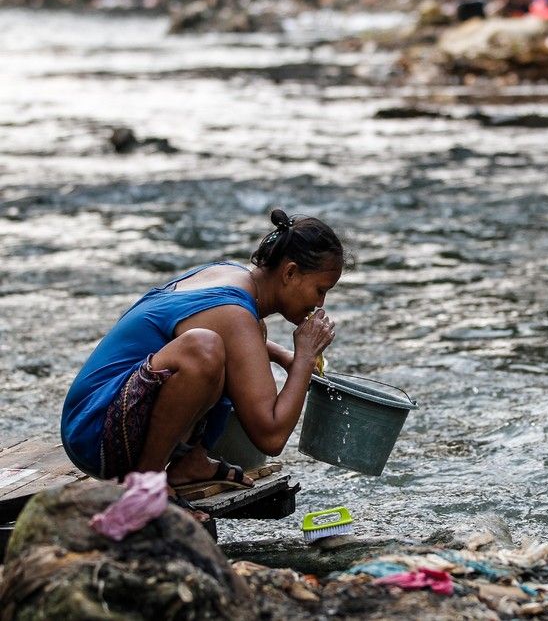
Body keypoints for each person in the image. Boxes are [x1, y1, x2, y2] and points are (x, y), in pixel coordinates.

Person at [61, 209, 345, 521]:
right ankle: (147, 484)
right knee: (203, 349)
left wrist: (281, 356)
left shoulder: (231, 277)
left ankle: (189, 463)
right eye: (321, 290)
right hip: (96, 432)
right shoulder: (235, 314)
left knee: (221, 343)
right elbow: (271, 436)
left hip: (95, 418)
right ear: (290, 273)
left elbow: (237, 340)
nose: (320, 304)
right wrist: (304, 357)